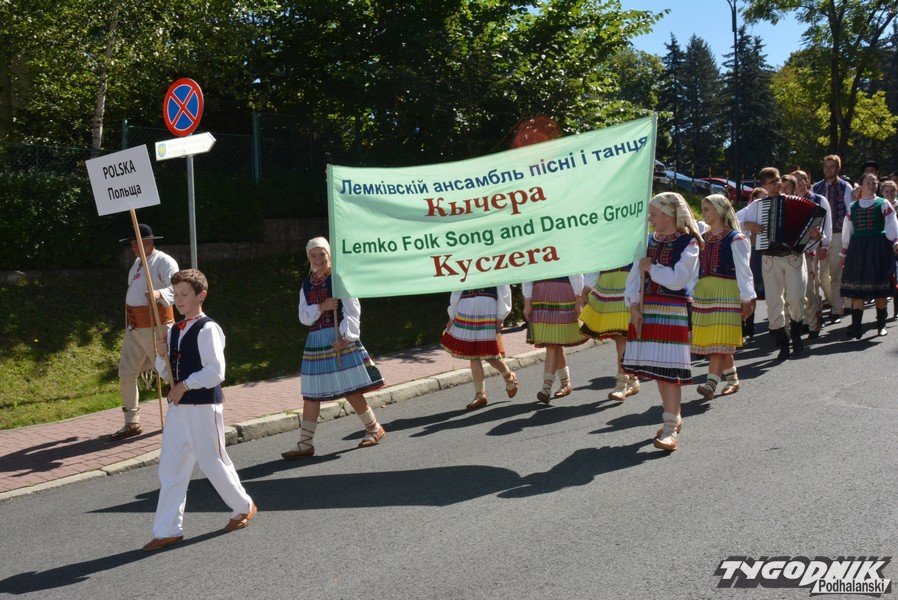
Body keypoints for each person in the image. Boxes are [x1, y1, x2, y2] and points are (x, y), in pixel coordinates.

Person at [144, 269, 256, 551]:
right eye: (176, 295)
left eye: (185, 294)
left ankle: (243, 506)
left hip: (203, 406)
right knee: (171, 466)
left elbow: (216, 371)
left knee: (212, 461)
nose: (179, 299)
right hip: (179, 409)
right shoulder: (173, 331)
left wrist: (185, 386)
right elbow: (168, 374)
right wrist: (161, 356)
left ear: (200, 295)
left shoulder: (208, 329)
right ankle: (167, 529)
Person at [282, 237, 386, 459]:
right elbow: (303, 317)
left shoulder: (339, 279)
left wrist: (347, 338)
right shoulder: (306, 284)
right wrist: (321, 307)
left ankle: (374, 428)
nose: (318, 259)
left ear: (330, 254)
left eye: (322, 254)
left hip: (338, 337)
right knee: (311, 393)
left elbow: (353, 309)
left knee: (350, 388)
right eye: (313, 255)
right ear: (308, 257)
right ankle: (305, 443)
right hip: (316, 341)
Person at [623, 192, 703, 451]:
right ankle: (673, 418)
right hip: (648, 309)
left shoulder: (689, 243)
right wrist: (633, 305)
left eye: (653, 214)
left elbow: (678, 280)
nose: (650, 219)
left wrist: (651, 268)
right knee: (659, 370)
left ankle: (670, 428)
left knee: (669, 372)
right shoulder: (648, 241)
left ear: (668, 214)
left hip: (671, 310)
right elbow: (634, 276)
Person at [111, 224, 178, 440]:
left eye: (136, 243)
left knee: (169, 372)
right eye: (132, 244)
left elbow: (177, 287)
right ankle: (131, 422)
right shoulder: (137, 264)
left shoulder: (164, 261)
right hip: (135, 328)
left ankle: (181, 415)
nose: (133, 248)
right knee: (126, 372)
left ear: (148, 242)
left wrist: (159, 294)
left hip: (156, 325)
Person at [742, 167, 816, 359]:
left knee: (797, 299)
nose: (777, 184)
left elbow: (814, 231)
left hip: (793, 256)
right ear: (763, 186)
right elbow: (734, 220)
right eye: (772, 182)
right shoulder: (757, 206)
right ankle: (783, 343)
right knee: (774, 302)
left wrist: (816, 235)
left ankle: (796, 335)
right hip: (769, 258)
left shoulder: (796, 201)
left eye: (777, 180)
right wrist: (747, 225)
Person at [692, 195, 755, 399]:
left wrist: (747, 298)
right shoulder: (702, 238)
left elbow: (744, 271)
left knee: (719, 340)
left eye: (707, 209)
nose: (703, 213)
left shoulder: (736, 238)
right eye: (703, 209)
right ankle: (733, 380)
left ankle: (710, 384)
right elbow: (695, 269)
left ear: (719, 211)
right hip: (704, 293)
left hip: (726, 292)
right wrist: (690, 292)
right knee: (718, 340)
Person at [839, 173, 898, 339]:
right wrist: (843, 252)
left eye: (874, 183)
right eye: (868, 183)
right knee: (857, 290)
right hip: (858, 249)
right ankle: (857, 327)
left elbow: (892, 224)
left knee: (879, 289)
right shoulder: (852, 206)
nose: (872, 186)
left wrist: (895, 241)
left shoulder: (883, 203)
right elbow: (847, 230)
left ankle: (881, 324)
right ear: (861, 185)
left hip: (878, 247)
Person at [440, 286, 519, 410]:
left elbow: (503, 287)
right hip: (466, 306)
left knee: (489, 353)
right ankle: (480, 394)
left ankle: (509, 377)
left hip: (487, 306)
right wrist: (452, 315)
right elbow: (458, 287)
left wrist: (501, 316)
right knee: (473, 354)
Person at [523, 275, 588, 403]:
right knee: (553, 342)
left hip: (562, 293)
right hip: (540, 295)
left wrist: (578, 299)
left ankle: (546, 387)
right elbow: (528, 274)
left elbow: (574, 272)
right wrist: (527, 302)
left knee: (553, 343)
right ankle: (565, 383)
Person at [579, 267, 640, 401]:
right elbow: (597, 263)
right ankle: (631, 380)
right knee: (620, 337)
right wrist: (585, 290)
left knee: (624, 336)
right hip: (608, 287)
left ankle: (622, 384)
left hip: (629, 284)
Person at [787, 171, 832, 339]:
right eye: (795, 181)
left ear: (808, 181)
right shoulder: (787, 201)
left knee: (810, 289)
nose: (798, 184)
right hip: (789, 253)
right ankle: (803, 321)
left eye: (801, 180)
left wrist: (824, 244)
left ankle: (814, 323)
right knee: (793, 292)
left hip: (809, 250)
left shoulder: (819, 200)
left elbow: (826, 225)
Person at [813, 155, 853, 324]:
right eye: (826, 166)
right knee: (821, 275)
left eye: (832, 166)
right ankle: (836, 301)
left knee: (836, 272)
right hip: (820, 236)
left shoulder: (845, 187)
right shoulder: (816, 187)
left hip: (838, 233)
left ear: (838, 168)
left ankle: (837, 309)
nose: (828, 169)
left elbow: (849, 212)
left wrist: (848, 237)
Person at [736, 187, 768, 340]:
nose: (762, 202)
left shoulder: (771, 213)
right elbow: (734, 223)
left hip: (767, 253)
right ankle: (748, 326)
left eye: (765, 199)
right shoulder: (745, 213)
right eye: (758, 199)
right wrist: (746, 225)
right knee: (750, 289)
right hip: (752, 254)